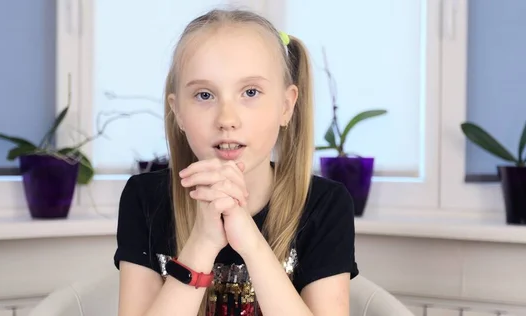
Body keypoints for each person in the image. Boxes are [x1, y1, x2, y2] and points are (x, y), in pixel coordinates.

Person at [114, 8, 359, 316]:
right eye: (204, 95)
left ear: (286, 106)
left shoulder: (326, 205)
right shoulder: (145, 198)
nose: (226, 119)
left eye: (251, 92)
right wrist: (202, 242)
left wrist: (251, 243)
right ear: (177, 112)